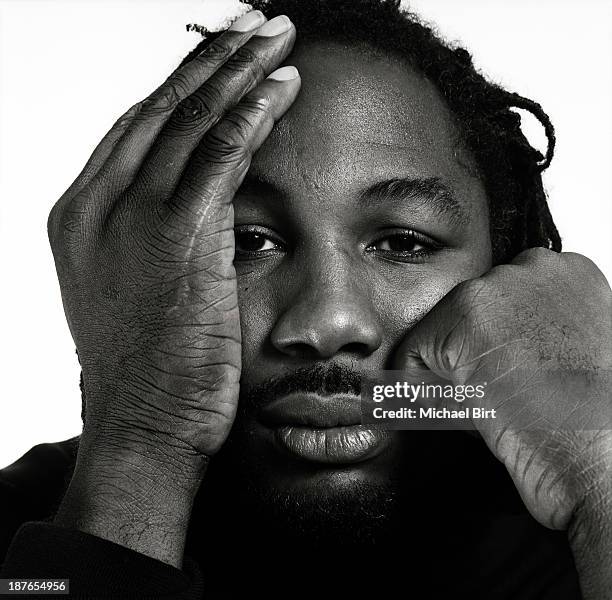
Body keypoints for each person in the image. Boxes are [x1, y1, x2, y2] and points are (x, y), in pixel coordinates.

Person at [1, 0, 611, 598]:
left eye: (402, 242)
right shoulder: (28, 544)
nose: (326, 323)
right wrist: (139, 449)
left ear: (506, 265)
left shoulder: (580, 528)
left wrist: (597, 465)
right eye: (249, 241)